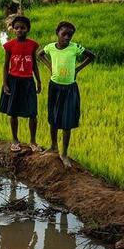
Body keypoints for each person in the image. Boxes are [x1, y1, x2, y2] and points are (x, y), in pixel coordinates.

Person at [37, 21, 96, 168]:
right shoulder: (51, 47)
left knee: (67, 121)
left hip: (69, 88)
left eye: (70, 35)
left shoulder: (74, 48)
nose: (67, 37)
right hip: (54, 87)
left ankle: (64, 153)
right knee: (53, 116)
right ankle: (53, 146)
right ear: (57, 33)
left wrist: (77, 69)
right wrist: (50, 66)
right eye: (64, 34)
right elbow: (40, 54)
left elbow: (91, 56)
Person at [0, 15, 42, 152]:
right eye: (16, 28)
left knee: (33, 112)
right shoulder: (9, 45)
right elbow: (6, 65)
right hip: (13, 81)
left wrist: (39, 81)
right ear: (13, 29)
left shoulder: (32, 45)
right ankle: (15, 140)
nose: (19, 30)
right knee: (13, 112)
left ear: (28, 29)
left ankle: (33, 141)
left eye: (22, 28)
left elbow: (34, 64)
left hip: (28, 81)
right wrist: (5, 83)